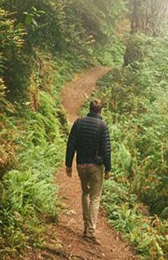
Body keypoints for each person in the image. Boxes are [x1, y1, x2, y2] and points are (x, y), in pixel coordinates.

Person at [65, 98, 112, 244]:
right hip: (95, 166)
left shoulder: (78, 122)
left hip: (81, 165)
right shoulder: (102, 125)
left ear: (89, 108)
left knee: (85, 192)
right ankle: (90, 232)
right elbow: (106, 149)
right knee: (95, 197)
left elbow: (71, 144)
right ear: (100, 110)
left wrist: (68, 164)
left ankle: (86, 225)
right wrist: (108, 168)